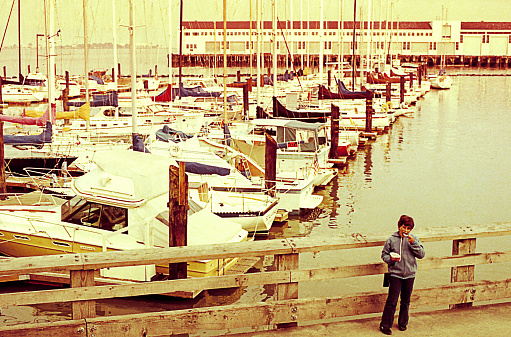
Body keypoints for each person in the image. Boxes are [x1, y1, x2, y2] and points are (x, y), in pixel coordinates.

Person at [379, 215, 425, 335]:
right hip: (395, 274)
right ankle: (385, 325)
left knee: (406, 300)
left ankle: (403, 323)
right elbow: (384, 255)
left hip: (410, 274)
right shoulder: (391, 240)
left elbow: (421, 254)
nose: (406, 230)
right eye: (404, 227)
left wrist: (413, 243)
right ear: (399, 226)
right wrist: (390, 259)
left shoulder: (413, 239)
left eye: (408, 228)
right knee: (392, 300)